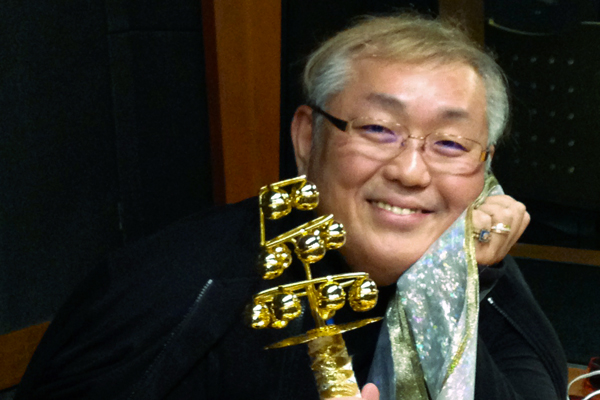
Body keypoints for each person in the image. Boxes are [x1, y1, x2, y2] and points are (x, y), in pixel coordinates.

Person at [16, 13, 567, 400]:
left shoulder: (464, 265)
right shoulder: (173, 290)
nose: (411, 171)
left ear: (484, 168)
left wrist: (455, 285)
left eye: (450, 143)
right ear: (307, 139)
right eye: (378, 129)